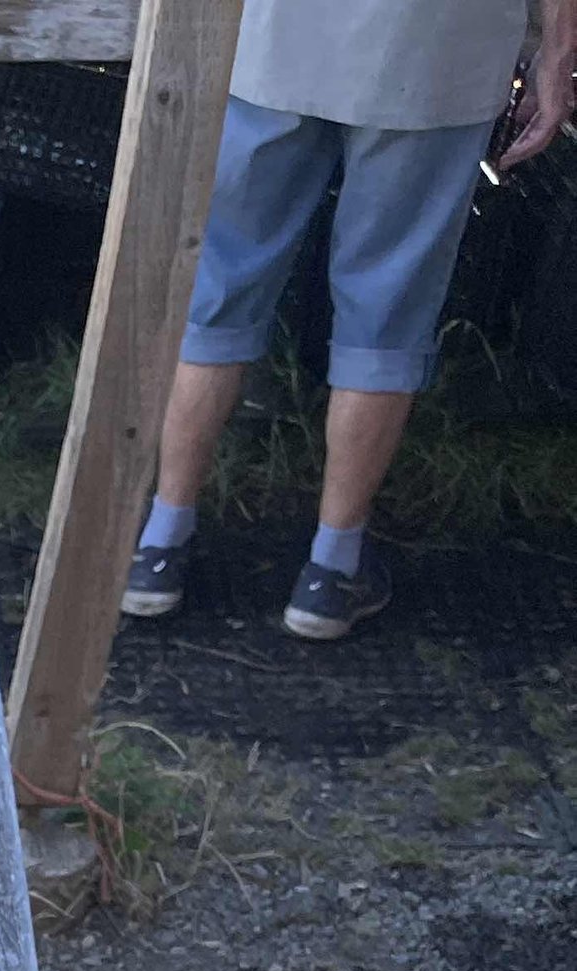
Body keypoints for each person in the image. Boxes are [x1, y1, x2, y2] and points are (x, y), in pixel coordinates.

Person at [123, 0, 575, 641]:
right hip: (436, 54)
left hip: (273, 42)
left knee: (219, 290)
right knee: (388, 309)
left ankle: (160, 544)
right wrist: (558, 50)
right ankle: (332, 571)